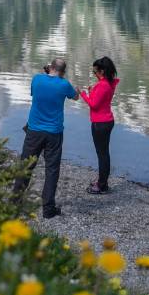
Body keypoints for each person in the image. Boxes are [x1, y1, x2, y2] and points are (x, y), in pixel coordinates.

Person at [13, 57, 78, 218]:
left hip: (34, 131)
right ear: (63, 71)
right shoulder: (64, 85)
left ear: (50, 67)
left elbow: (34, 93)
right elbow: (75, 97)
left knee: (26, 166)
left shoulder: (37, 79)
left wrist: (47, 73)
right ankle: (48, 209)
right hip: (54, 133)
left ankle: (15, 203)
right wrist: (74, 88)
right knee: (52, 170)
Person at [80, 56, 119, 194]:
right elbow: (100, 101)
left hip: (100, 123)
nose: (94, 74)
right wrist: (92, 92)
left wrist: (83, 94)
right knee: (103, 153)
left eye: (95, 72)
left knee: (102, 154)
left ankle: (102, 185)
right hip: (106, 121)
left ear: (102, 71)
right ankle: (102, 181)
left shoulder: (103, 85)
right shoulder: (108, 83)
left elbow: (94, 105)